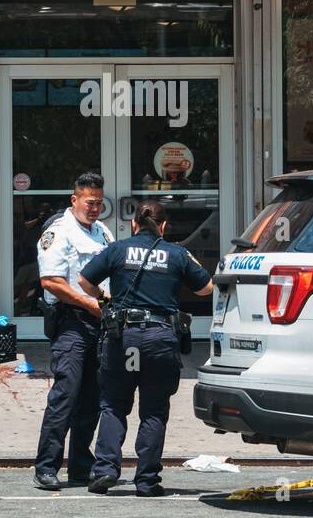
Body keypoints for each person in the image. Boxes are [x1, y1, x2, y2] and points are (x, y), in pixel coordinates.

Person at [78, 200, 213, 497]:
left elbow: (84, 280)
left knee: (113, 403)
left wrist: (104, 297)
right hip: (159, 337)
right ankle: (147, 480)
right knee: (153, 410)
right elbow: (206, 288)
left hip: (123, 338)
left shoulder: (118, 249)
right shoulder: (177, 253)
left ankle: (105, 471)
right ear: (163, 227)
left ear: (134, 225)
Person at [32, 172, 112, 491]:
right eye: (89, 202)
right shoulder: (58, 231)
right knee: (66, 393)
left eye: (99, 203)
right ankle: (46, 465)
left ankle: (80, 464)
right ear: (74, 199)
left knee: (92, 397)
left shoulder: (103, 232)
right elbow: (51, 281)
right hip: (71, 321)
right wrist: (91, 304)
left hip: (99, 321)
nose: (94, 209)